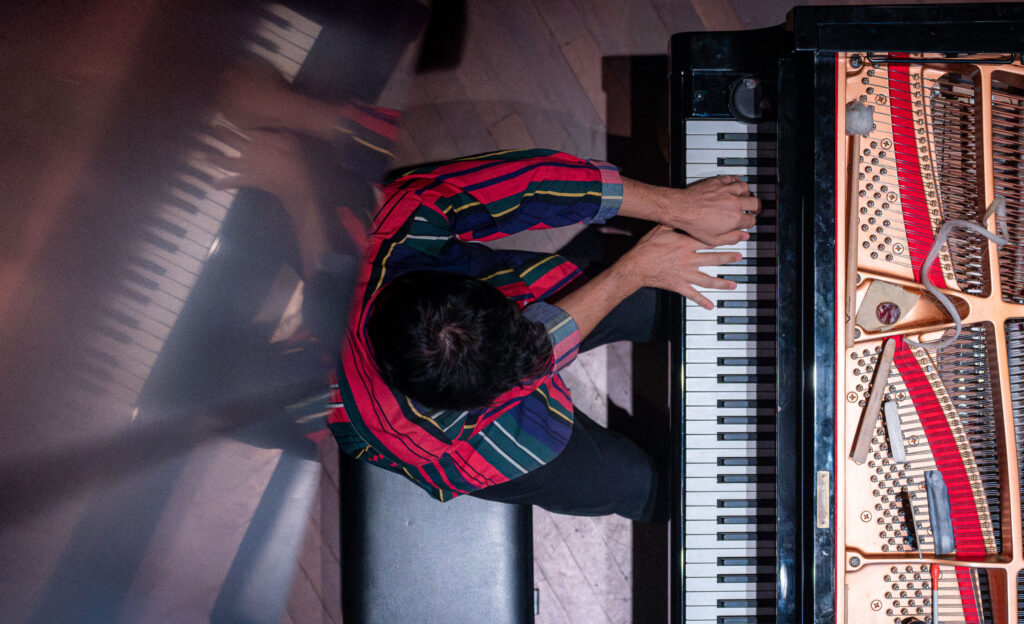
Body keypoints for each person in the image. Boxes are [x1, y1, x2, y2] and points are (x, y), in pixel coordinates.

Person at [211, 63, 759, 522]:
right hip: (497, 445)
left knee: (682, 290)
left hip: (476, 311)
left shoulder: (399, 224)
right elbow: (535, 353)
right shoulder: (402, 426)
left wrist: (675, 206)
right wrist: (629, 271)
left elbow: (530, 182)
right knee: (630, 483)